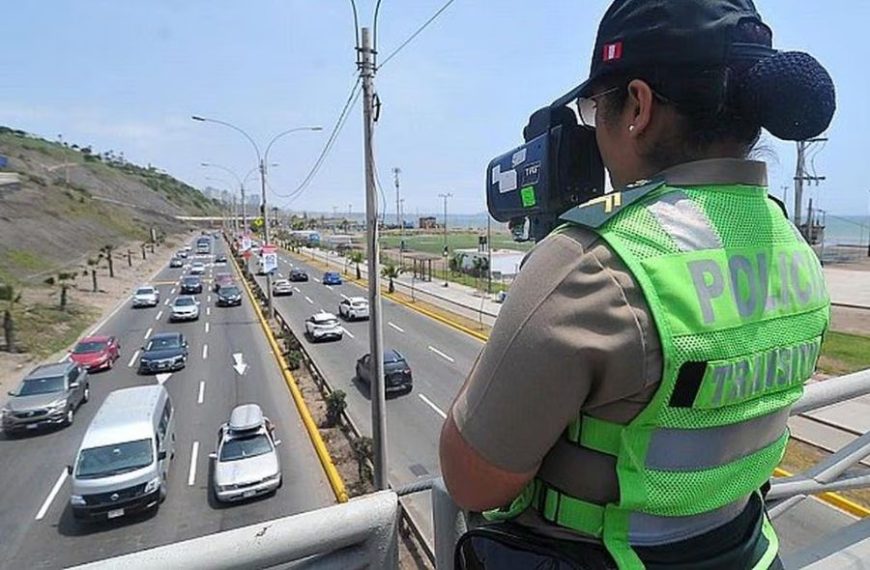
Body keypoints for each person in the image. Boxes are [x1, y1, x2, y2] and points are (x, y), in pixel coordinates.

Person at [439, 1, 836, 568]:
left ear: (638, 106)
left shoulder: (590, 262)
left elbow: (472, 481)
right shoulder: (794, 248)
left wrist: (536, 290)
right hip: (746, 551)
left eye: (595, 106)